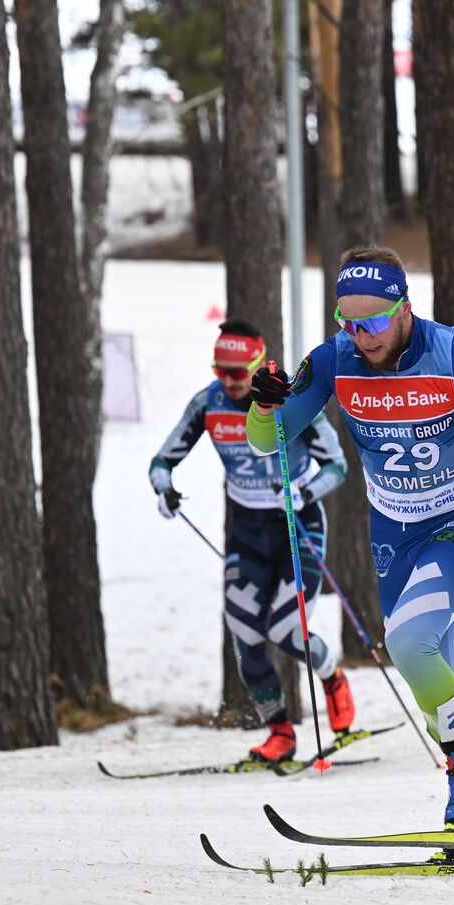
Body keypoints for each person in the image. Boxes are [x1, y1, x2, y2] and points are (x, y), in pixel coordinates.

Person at [244, 246, 454, 833]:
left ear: (405, 306)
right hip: (391, 535)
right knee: (428, 672)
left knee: (408, 642)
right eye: (350, 323)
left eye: (376, 321)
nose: (364, 336)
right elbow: (269, 440)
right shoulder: (334, 360)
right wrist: (263, 403)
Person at [149, 320, 354, 762]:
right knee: (244, 630)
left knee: (286, 630)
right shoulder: (209, 402)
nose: (228, 381)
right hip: (247, 530)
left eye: (238, 373)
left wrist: (303, 491)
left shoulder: (293, 403)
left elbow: (337, 466)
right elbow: (163, 458)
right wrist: (162, 486)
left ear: (258, 365)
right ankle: (280, 732)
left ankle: (333, 677)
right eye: (220, 370)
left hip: (298, 526)